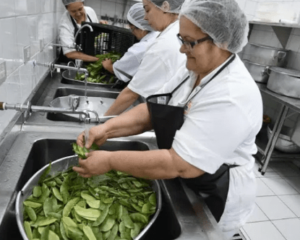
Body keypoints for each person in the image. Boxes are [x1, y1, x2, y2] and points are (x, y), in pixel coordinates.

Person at [73, 0, 263, 239]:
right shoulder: (193, 68)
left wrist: (110, 161)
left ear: (222, 43)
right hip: (191, 178)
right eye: (181, 39)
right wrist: (106, 129)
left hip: (217, 192)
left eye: (189, 42)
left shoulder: (231, 96)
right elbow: (154, 110)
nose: (182, 49)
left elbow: (180, 164)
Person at [103, 0, 187, 116]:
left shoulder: (162, 45)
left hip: (169, 114)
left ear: (165, 6)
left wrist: (102, 121)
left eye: (147, 10)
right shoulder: (178, 30)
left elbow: (131, 94)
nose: (145, 17)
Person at [102, 3, 159, 89]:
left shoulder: (139, 49)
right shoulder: (158, 35)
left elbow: (119, 70)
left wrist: (108, 65)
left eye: (132, 29)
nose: (132, 32)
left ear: (139, 27)